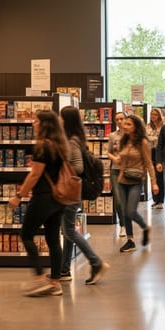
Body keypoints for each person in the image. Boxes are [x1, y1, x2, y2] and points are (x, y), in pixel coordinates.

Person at [9, 110, 69, 297]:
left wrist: (19, 195)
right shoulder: (61, 144)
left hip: (43, 197)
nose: (33, 124)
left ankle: (39, 277)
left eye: (36, 121)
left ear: (44, 124)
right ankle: (55, 282)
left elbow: (35, 174)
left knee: (26, 234)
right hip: (58, 198)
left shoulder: (42, 145)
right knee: (53, 239)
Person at [59, 106, 109, 284]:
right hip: (74, 191)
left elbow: (78, 167)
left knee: (69, 231)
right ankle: (64, 270)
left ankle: (95, 262)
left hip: (71, 190)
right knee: (67, 231)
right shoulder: (77, 138)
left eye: (61, 117)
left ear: (66, 120)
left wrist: (62, 168)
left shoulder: (72, 141)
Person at [115, 114, 158, 253]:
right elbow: (122, 159)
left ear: (136, 127)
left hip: (136, 180)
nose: (124, 126)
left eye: (128, 124)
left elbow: (149, 163)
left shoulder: (143, 143)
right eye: (124, 124)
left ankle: (145, 227)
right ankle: (130, 240)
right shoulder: (123, 141)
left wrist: (154, 183)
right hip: (122, 179)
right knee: (124, 211)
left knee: (130, 210)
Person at [107, 111, 126, 238]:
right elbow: (108, 152)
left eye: (121, 119)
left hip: (128, 171)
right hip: (115, 170)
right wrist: (115, 159)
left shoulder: (131, 135)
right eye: (117, 119)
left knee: (128, 200)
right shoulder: (112, 136)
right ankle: (123, 226)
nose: (119, 121)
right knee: (118, 200)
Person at [147, 107, 165, 209]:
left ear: (159, 115)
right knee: (152, 176)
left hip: (160, 153)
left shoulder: (163, 127)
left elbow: (162, 140)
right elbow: (145, 137)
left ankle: (161, 200)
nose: (153, 116)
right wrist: (153, 138)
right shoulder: (148, 126)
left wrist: (152, 138)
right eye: (152, 114)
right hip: (150, 152)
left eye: (155, 114)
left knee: (160, 177)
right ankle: (155, 199)